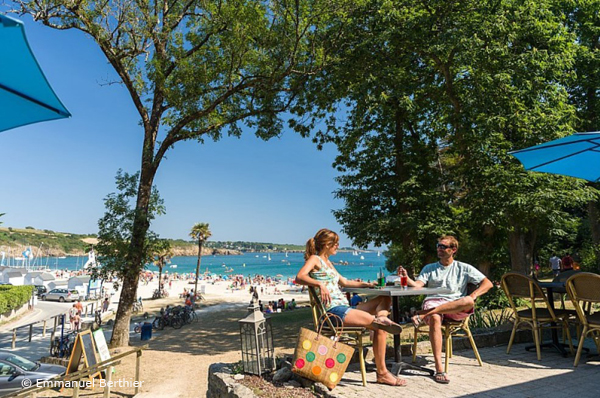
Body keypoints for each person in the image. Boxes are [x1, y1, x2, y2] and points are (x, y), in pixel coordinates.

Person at [295, 228, 406, 387]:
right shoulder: (315, 259)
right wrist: (320, 284)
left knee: (384, 298)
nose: (338, 247)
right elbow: (299, 277)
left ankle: (380, 318)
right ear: (327, 244)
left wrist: (367, 284)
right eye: (336, 244)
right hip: (333, 313)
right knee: (381, 327)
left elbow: (345, 283)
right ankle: (382, 373)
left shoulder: (329, 263)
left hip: (344, 308)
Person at [397, 235, 492, 384]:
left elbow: (487, 283)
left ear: (453, 250)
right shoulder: (429, 268)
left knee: (467, 300)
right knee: (435, 317)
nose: (439, 249)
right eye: (438, 246)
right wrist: (407, 278)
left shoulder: (463, 267)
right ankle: (439, 368)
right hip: (433, 302)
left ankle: (423, 315)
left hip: (455, 307)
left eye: (443, 246)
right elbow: (418, 285)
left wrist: (473, 295)